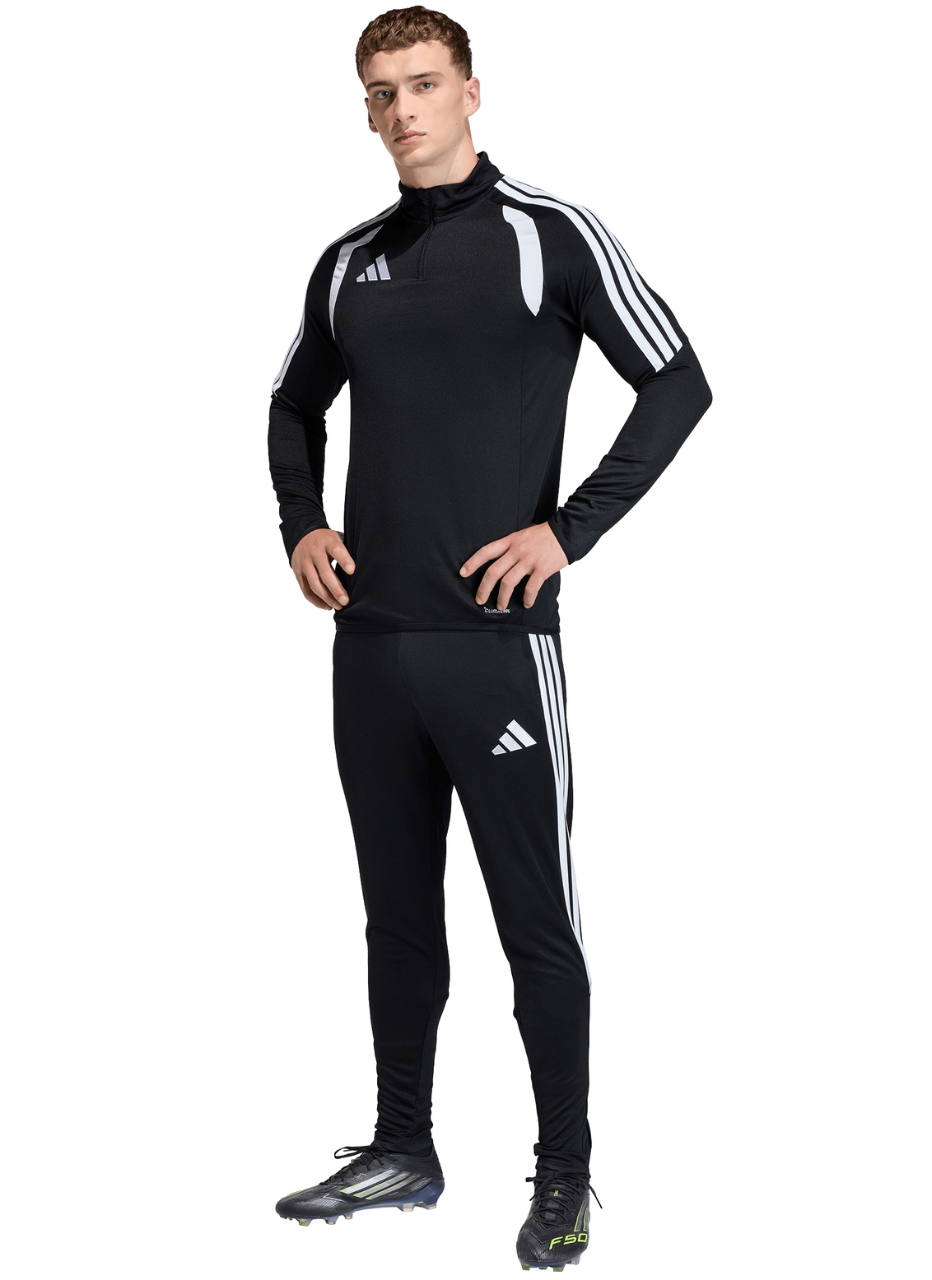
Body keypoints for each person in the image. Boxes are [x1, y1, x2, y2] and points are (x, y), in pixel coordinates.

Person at [267, 6, 711, 1269]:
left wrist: (566, 532)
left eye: (422, 84)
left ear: (470, 91)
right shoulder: (348, 261)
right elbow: (291, 404)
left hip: (497, 647)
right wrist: (301, 522)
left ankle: (563, 1172)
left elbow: (677, 380)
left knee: (534, 921)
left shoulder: (547, 234)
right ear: (363, 111)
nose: (401, 109)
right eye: (380, 92)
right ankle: (401, 1146)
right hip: (371, 648)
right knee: (395, 918)